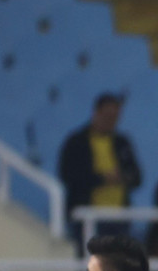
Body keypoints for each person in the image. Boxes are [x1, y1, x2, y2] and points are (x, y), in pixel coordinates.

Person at [57, 92, 142, 250]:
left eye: (115, 116)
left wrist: (122, 178)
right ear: (96, 113)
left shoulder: (122, 143)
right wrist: (102, 179)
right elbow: (68, 175)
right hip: (88, 216)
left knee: (118, 267)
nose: (111, 120)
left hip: (118, 218)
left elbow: (137, 177)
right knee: (90, 265)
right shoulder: (77, 142)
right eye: (107, 115)